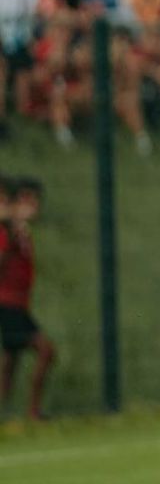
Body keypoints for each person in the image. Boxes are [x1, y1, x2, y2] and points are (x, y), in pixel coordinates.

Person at [0, 176, 52, 421]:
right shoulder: (6, 233)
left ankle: (5, 411)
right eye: (26, 200)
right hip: (8, 304)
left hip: (18, 304)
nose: (32, 206)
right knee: (45, 350)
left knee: (12, 360)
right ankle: (33, 411)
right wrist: (10, 238)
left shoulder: (21, 232)